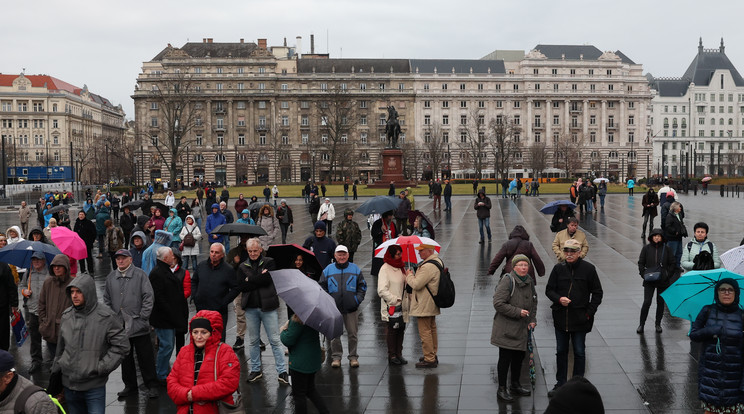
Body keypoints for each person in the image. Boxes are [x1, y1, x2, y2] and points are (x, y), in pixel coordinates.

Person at [52, 273, 130, 414]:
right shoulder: (67, 316)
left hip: (93, 387)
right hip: (69, 385)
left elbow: (122, 346)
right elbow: (60, 350)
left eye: (79, 291)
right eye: (72, 292)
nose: (74, 295)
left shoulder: (106, 316)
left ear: (88, 292)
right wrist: (57, 371)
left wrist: (100, 367)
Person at [545, 239, 603, 397]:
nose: (569, 255)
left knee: (579, 352)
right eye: (566, 252)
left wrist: (589, 312)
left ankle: (578, 384)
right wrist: (558, 299)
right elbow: (549, 290)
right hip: (561, 317)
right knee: (561, 351)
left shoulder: (589, 269)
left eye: (572, 252)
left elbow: (597, 293)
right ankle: (561, 384)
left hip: (580, 317)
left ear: (579, 253)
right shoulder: (558, 269)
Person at [226, 238, 288, 384]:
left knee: (274, 340)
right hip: (251, 308)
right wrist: (259, 278)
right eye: (250, 251)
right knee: (253, 341)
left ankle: (282, 371)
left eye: (255, 250)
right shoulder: (242, 266)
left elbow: (268, 280)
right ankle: (255, 369)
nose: (253, 253)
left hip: (268, 307)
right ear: (247, 251)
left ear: (260, 249)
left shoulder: (269, 262)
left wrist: (251, 280)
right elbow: (242, 286)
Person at [103, 249, 159, 399]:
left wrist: (143, 317)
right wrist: (113, 318)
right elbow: (106, 299)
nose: (120, 261)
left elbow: (148, 297)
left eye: (123, 258)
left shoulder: (140, 275)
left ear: (130, 259)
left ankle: (152, 384)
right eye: (118, 259)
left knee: (145, 357)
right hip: (120, 325)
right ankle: (130, 385)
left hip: (138, 324)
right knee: (125, 357)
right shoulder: (111, 277)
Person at [167, 311, 240, 414]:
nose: (199, 336)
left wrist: (194, 394)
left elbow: (229, 383)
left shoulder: (224, 351)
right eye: (195, 332)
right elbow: (172, 381)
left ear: (212, 332)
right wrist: (185, 394)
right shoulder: (184, 352)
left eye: (204, 332)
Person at [690, 278, 744, 414]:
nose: (726, 293)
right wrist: (710, 330)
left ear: (736, 293)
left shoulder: (742, 315)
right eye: (722, 289)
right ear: (717, 293)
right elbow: (694, 335)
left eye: (730, 290)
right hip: (710, 376)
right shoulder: (707, 311)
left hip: (734, 379)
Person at [491, 254, 537, 402]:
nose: (523, 268)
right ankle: (502, 388)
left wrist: (532, 319)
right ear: (514, 267)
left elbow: (534, 301)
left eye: (526, 265)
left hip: (522, 328)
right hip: (506, 328)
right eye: (520, 265)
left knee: (518, 357)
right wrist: (518, 312)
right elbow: (498, 303)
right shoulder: (507, 281)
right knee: (505, 359)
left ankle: (515, 384)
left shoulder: (529, 281)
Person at [320, 245, 367, 368]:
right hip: (334, 309)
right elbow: (322, 286)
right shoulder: (328, 270)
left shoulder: (355, 269)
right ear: (335, 256)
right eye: (339, 254)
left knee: (352, 334)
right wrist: (328, 300)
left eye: (344, 254)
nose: (342, 257)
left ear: (348, 255)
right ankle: (336, 357)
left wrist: (357, 300)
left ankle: (353, 357)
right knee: (335, 335)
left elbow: (362, 286)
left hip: (351, 308)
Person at [149, 247, 189, 384]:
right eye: (172, 255)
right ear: (165, 258)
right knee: (166, 346)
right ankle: (161, 374)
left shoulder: (164, 270)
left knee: (167, 346)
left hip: (169, 316)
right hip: (164, 317)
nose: (174, 257)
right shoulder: (158, 273)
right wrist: (172, 312)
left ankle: (163, 372)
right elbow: (159, 297)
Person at [280, 314, 330, 414]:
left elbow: (288, 340)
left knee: (299, 395)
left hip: (300, 363)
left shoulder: (298, 318)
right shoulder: (315, 317)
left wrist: (283, 330)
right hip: (312, 360)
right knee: (310, 390)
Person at [405, 243, 442, 368]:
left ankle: (429, 358)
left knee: (425, 332)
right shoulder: (437, 261)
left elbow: (416, 284)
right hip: (431, 302)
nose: (419, 253)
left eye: (421, 251)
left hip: (424, 303)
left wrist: (409, 275)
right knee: (432, 330)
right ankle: (432, 353)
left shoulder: (427, 267)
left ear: (428, 251)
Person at [191, 243, 237, 342]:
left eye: (216, 252)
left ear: (222, 255)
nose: (213, 254)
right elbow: (194, 281)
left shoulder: (228, 270)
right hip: (201, 309)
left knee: (218, 338)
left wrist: (224, 301)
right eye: (212, 252)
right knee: (201, 338)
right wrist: (195, 296)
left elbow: (235, 288)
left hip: (219, 311)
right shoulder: (202, 265)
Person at [636, 229, 677, 334]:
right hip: (649, 280)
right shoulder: (646, 249)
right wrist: (643, 274)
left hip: (662, 280)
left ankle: (658, 324)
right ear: (651, 237)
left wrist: (667, 275)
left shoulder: (666, 249)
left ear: (662, 237)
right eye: (655, 236)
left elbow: (673, 263)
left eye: (659, 236)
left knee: (660, 303)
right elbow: (641, 262)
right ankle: (641, 324)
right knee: (647, 302)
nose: (657, 238)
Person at [377, 245, 409, 365]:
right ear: (391, 255)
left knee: (401, 328)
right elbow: (381, 290)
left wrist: (409, 277)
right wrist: (395, 300)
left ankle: (399, 353)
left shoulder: (401, 267)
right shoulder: (385, 269)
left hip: (403, 305)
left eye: (400, 254)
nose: (400, 256)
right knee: (392, 330)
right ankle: (392, 355)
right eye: (397, 254)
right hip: (391, 306)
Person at [38, 254, 72, 358]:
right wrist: (44, 322)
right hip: (50, 330)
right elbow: (41, 304)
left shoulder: (73, 283)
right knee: (54, 360)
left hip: (67, 332)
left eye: (59, 265)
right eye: (54, 266)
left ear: (66, 267)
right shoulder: (48, 282)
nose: (56, 268)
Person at [20, 252, 46, 372]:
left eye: (38, 260)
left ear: (44, 260)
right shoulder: (28, 273)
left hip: (46, 311)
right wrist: (24, 291)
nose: (36, 262)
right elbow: (22, 286)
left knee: (50, 337)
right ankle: (36, 360)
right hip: (32, 310)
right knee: (35, 337)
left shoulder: (49, 273)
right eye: (34, 260)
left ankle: (54, 361)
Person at [371, 211, 397, 276]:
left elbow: (396, 234)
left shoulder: (392, 224)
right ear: (386, 216)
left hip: (390, 249)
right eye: (390, 216)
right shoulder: (377, 223)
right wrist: (381, 231)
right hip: (380, 249)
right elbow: (374, 234)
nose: (391, 218)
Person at [664, 201, 686, 268]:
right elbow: (667, 226)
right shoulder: (670, 216)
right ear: (675, 207)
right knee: (672, 253)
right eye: (679, 206)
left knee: (679, 253)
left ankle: (677, 266)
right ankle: (671, 267)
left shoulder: (679, 215)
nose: (680, 208)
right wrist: (675, 231)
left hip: (679, 237)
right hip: (673, 238)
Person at [0, 259, 15, 352]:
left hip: (2, 307)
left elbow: (11, 286)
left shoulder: (4, 266)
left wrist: (14, 304)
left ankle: (3, 355)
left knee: (3, 332)